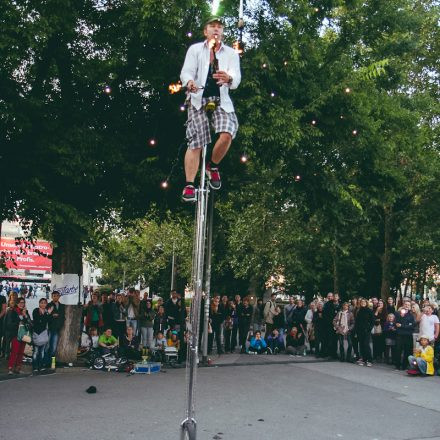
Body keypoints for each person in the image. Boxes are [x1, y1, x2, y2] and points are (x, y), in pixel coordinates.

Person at [180, 16, 241, 202]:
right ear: (205, 31)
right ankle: (189, 185)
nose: (216, 29)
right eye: (212, 26)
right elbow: (186, 71)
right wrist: (189, 82)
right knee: (196, 140)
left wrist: (228, 79)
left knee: (227, 132)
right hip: (199, 98)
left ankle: (212, 166)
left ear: (222, 32)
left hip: (221, 99)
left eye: (219, 27)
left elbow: (236, 79)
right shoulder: (195, 50)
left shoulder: (230, 53)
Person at [5, 297, 31, 374]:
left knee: (21, 352)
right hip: (15, 334)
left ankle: (18, 368)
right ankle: (10, 368)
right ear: (17, 303)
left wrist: (25, 315)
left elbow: (29, 323)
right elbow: (9, 324)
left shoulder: (25, 311)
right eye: (20, 302)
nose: (21, 304)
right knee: (14, 351)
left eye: (23, 303)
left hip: (24, 335)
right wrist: (18, 323)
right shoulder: (12, 311)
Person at [394, 299, 415, 370]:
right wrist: (405, 324)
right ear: (403, 305)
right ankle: (397, 365)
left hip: (408, 335)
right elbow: (396, 324)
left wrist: (402, 325)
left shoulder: (411, 316)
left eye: (408, 305)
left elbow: (412, 326)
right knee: (398, 350)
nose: (407, 306)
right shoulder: (398, 313)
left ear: (410, 307)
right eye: (406, 304)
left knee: (407, 351)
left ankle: (404, 366)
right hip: (399, 335)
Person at [32, 298, 51, 372]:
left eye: (45, 303)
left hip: (43, 333)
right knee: (36, 351)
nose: (43, 304)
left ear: (46, 304)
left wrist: (47, 314)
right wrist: (45, 315)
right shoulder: (36, 310)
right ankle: (35, 366)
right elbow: (37, 321)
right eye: (42, 303)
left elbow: (46, 321)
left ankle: (41, 365)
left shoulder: (47, 312)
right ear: (39, 303)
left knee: (42, 351)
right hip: (36, 333)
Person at [354, 298, 374, 367]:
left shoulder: (369, 311)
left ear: (366, 303)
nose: (363, 303)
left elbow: (372, 321)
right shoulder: (359, 311)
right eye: (362, 302)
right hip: (359, 331)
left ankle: (369, 360)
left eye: (364, 302)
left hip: (366, 331)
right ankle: (363, 359)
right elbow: (356, 322)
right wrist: (356, 331)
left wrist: (369, 329)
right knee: (361, 345)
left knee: (366, 345)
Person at [47, 291, 65, 362]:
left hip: (57, 329)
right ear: (52, 296)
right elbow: (46, 316)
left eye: (57, 296)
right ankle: (46, 362)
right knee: (47, 346)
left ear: (59, 296)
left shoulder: (62, 306)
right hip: (49, 328)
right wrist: (52, 315)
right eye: (54, 296)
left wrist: (60, 325)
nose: (55, 297)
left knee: (54, 347)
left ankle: (52, 363)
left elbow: (63, 317)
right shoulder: (49, 305)